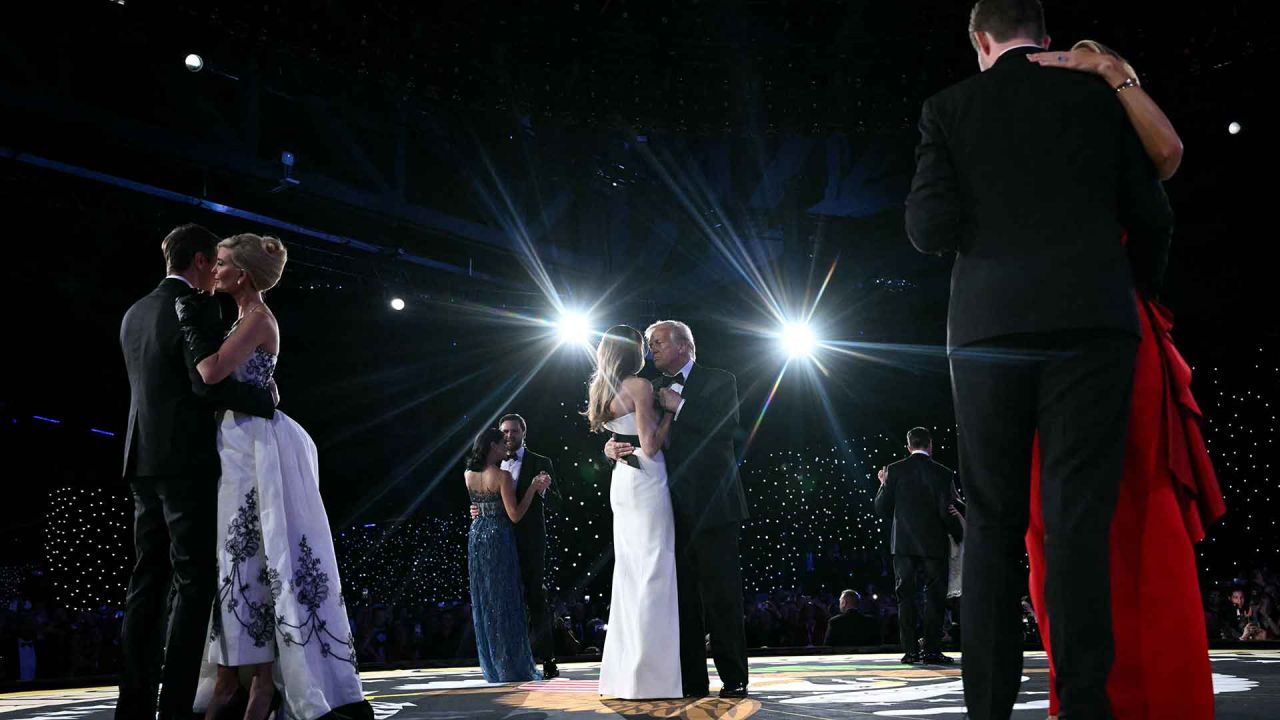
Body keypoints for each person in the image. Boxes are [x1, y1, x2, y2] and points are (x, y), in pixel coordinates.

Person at [904, 0, 1175, 716]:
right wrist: (1134, 291)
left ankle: (989, 707)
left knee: (991, 524)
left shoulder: (949, 108)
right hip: (1094, 327)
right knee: (1076, 522)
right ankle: (1085, 705)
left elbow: (928, 228)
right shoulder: (1095, 96)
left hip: (989, 334)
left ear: (981, 41)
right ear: (1047, 40)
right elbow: (1153, 210)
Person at [1022, 40, 1224, 720]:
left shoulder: (1089, 119)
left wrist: (1113, 76)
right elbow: (1163, 176)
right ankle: (1131, 694)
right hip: (1107, 325)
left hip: (1085, 335)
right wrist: (1113, 77)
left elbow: (1166, 159)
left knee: (1115, 508)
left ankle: (1128, 694)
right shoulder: (1081, 127)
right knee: (1097, 514)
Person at [178, 233, 369, 720]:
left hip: (253, 446)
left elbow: (212, 373)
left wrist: (191, 325)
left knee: (259, 545)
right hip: (239, 441)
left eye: (220, 264)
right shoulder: (249, 319)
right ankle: (255, 679)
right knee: (247, 551)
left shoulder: (258, 318)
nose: (213, 270)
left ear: (241, 274)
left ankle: (262, 683)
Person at [117, 224, 276, 720]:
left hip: (142, 460)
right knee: (192, 583)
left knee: (146, 583)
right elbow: (206, 384)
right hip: (186, 463)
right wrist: (265, 401)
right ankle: (174, 707)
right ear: (204, 261)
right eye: (217, 263)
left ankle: (134, 705)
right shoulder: (191, 308)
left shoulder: (134, 312)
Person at [604, 320, 750, 698]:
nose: (651, 350)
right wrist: (610, 450)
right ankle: (690, 680)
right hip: (664, 507)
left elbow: (729, 429)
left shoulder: (720, 379)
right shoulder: (649, 387)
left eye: (657, 343)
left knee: (721, 596)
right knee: (680, 599)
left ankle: (734, 678)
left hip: (713, 505)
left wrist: (680, 405)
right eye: (649, 344)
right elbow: (633, 431)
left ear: (683, 345)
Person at [584, 325, 682, 699]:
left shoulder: (600, 389)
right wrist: (671, 411)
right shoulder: (639, 386)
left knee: (630, 573)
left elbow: (617, 438)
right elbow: (651, 445)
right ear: (633, 351)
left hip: (622, 482)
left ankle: (625, 675)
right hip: (645, 481)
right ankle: (649, 677)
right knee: (654, 569)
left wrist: (610, 449)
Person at [470, 414, 559, 678]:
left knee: (535, 596)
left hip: (529, 540)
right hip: (498, 540)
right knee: (504, 599)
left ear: (524, 432)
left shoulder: (541, 463)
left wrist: (542, 490)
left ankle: (547, 658)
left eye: (513, 431)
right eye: (504, 432)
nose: (509, 436)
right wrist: (477, 509)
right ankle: (511, 659)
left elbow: (557, 503)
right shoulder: (491, 469)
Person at [874, 428, 963, 664]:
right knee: (934, 597)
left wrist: (883, 484)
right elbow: (948, 511)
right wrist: (961, 534)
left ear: (908, 446)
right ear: (930, 445)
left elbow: (882, 509)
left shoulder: (894, 470)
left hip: (903, 544)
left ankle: (911, 651)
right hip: (933, 544)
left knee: (906, 596)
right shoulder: (943, 473)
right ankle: (931, 650)